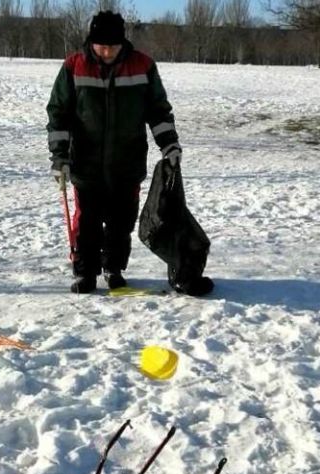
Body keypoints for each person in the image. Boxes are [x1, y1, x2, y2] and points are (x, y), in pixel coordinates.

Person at [46, 10, 210, 295]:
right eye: (101, 45)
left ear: (123, 42)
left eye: (112, 45)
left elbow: (158, 111)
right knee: (88, 221)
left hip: (127, 162)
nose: (107, 51)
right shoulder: (74, 66)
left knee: (121, 222)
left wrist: (169, 144)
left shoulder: (143, 66)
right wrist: (59, 157)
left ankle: (113, 269)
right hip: (86, 162)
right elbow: (58, 114)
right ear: (91, 41)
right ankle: (86, 273)